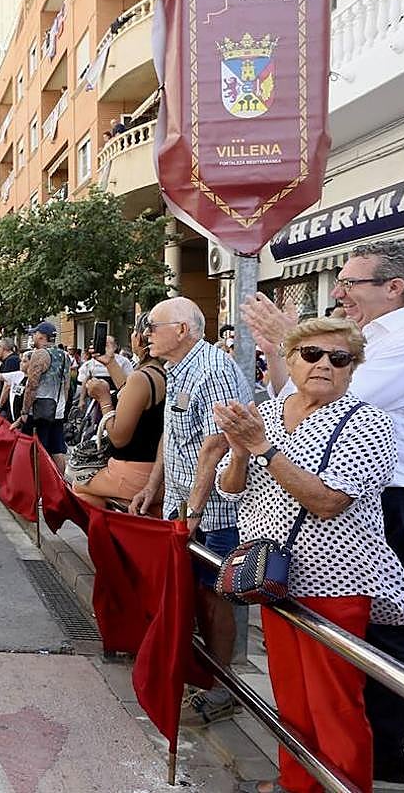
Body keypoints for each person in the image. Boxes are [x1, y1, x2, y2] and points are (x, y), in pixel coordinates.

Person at [243, 240, 404, 783]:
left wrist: (293, 340)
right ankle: (316, 772)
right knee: (303, 679)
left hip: (385, 500)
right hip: (308, 517)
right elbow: (301, 399)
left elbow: (341, 398)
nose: (340, 292)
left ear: (393, 288)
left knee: (365, 648)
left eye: (350, 283)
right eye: (341, 282)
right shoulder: (362, 338)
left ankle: (378, 759)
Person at [214, 317, 404, 793]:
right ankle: (298, 782)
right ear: (290, 360)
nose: (324, 364)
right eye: (311, 354)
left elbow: (327, 500)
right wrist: (240, 452)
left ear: (352, 368)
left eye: (338, 358)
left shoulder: (368, 422)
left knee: (335, 703)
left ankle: (344, 785)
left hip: (336, 581)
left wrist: (263, 449)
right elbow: (230, 487)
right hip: (273, 577)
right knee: (292, 696)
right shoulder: (269, 412)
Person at [129, 296, 253, 726]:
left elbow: (216, 445)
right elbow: (173, 433)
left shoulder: (212, 370)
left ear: (182, 330)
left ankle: (221, 688)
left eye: (153, 326)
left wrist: (194, 510)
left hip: (216, 512)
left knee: (214, 598)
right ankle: (200, 673)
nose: (146, 334)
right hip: (184, 504)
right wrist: (153, 485)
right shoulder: (179, 368)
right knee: (192, 595)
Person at [74, 314, 166, 513]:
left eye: (133, 332)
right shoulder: (159, 372)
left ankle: (109, 527)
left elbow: (118, 438)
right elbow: (130, 395)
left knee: (77, 484)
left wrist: (104, 400)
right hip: (156, 472)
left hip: (132, 473)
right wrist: (110, 362)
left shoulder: (141, 377)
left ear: (140, 337)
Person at [11, 322, 71, 473]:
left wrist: (24, 411)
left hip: (39, 411)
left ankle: (37, 482)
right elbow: (67, 385)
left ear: (42, 336)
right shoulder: (65, 356)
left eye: (35, 334)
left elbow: (32, 385)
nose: (33, 337)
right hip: (57, 409)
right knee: (57, 449)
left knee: (36, 450)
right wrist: (62, 407)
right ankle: (59, 482)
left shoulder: (40, 354)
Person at [0, 338, 20, 420]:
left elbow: (7, 385)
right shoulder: (5, 361)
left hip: (7, 407)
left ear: (2, 348)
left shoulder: (11, 361)